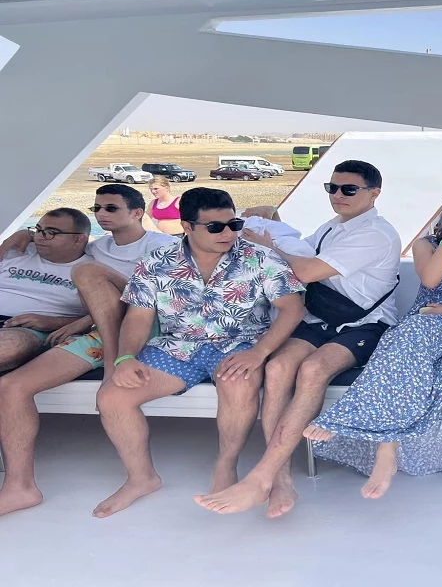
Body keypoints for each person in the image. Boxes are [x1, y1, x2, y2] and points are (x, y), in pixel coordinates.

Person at [195, 160, 401, 518]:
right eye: (332, 188)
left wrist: (266, 245)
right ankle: (282, 480)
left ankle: (261, 476)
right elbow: (302, 250)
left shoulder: (375, 233)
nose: (338, 195)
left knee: (312, 370)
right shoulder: (333, 226)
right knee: (277, 369)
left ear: (374, 193)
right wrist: (273, 221)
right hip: (320, 317)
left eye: (349, 189)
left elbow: (304, 270)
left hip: (365, 324)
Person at [92, 187, 305, 518]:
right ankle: (141, 478)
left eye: (233, 224)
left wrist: (259, 353)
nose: (228, 233)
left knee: (238, 382)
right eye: (215, 227)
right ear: (187, 226)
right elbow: (138, 317)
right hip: (177, 345)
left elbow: (292, 309)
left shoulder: (260, 258)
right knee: (112, 397)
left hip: (240, 344)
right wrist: (125, 357)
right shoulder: (156, 262)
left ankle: (226, 463)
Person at [302, 191, 442, 498]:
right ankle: (387, 450)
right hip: (421, 322)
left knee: (404, 338)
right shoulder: (426, 245)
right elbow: (431, 280)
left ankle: (367, 433)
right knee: (401, 338)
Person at [0, 184, 176, 517]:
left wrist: (77, 320)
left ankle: (114, 364)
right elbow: (63, 248)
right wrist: (23, 235)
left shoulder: (162, 245)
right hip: (100, 328)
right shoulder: (96, 248)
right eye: (97, 209)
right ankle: (20, 488)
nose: (101, 214)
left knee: (87, 272)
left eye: (111, 208)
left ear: (138, 213)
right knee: (10, 386)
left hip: (147, 322)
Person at [0, 208, 92, 373]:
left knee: (8, 346)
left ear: (79, 239)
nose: (40, 237)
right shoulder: (16, 251)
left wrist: (54, 322)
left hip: (29, 330)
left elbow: (104, 316)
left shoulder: (92, 271)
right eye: (38, 230)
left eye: (51, 233)